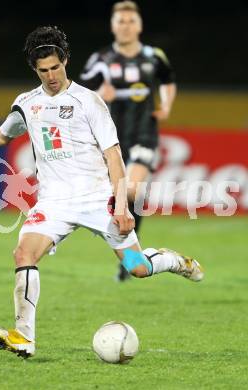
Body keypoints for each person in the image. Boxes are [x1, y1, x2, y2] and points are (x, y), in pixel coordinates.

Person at [0, 26, 202, 359]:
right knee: (23, 254)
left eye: (56, 67)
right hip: (54, 203)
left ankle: (174, 261)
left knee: (137, 267)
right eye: (43, 70)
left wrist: (121, 206)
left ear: (65, 61)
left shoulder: (89, 101)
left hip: (97, 199)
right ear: (35, 70)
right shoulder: (27, 103)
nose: (51, 75)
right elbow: (1, 136)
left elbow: (113, 155)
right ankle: (24, 338)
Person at [79, 1, 177, 281]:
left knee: (131, 191)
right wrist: (99, 92)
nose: (125, 26)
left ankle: (132, 259)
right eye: (120, 21)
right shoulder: (101, 58)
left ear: (139, 25)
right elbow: (79, 92)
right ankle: (132, 259)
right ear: (113, 26)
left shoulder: (153, 56)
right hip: (111, 141)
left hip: (145, 134)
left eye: (130, 21)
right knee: (117, 198)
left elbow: (168, 79)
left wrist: (167, 104)